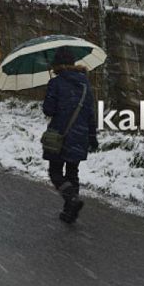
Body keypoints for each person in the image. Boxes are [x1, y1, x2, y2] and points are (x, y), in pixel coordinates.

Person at [42, 47, 98, 224]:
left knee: (55, 172)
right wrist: (92, 137)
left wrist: (51, 91)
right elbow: (90, 113)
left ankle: (71, 199)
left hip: (60, 136)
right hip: (80, 136)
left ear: (57, 65)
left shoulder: (56, 83)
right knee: (73, 173)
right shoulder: (84, 84)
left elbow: (48, 110)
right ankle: (70, 213)